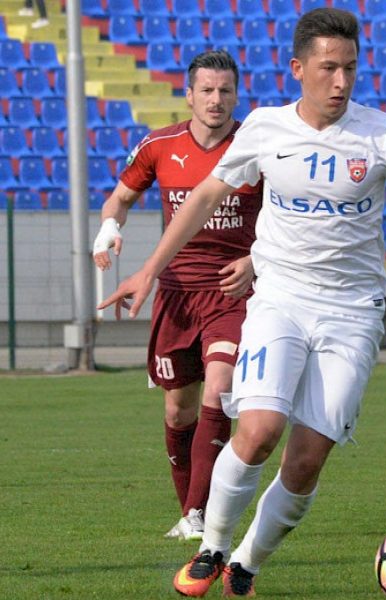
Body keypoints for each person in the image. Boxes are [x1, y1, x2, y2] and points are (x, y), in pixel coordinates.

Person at [98, 8, 386, 597]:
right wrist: (148, 269)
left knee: (306, 460)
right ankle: (212, 546)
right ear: (298, 68)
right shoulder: (265, 129)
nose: (340, 82)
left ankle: (245, 564)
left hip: (352, 314)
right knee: (258, 429)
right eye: (328, 68)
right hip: (280, 301)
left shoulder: (382, 134)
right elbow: (205, 196)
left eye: (350, 69)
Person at [92, 50, 263, 541]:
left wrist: (256, 261)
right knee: (177, 410)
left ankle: (197, 515)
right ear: (189, 95)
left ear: (236, 95)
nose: (216, 99)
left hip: (233, 291)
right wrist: (109, 229)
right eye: (206, 90)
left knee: (220, 387)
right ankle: (190, 512)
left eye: (225, 90)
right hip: (176, 295)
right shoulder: (159, 144)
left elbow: (285, 215)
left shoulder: (255, 146)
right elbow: (120, 199)